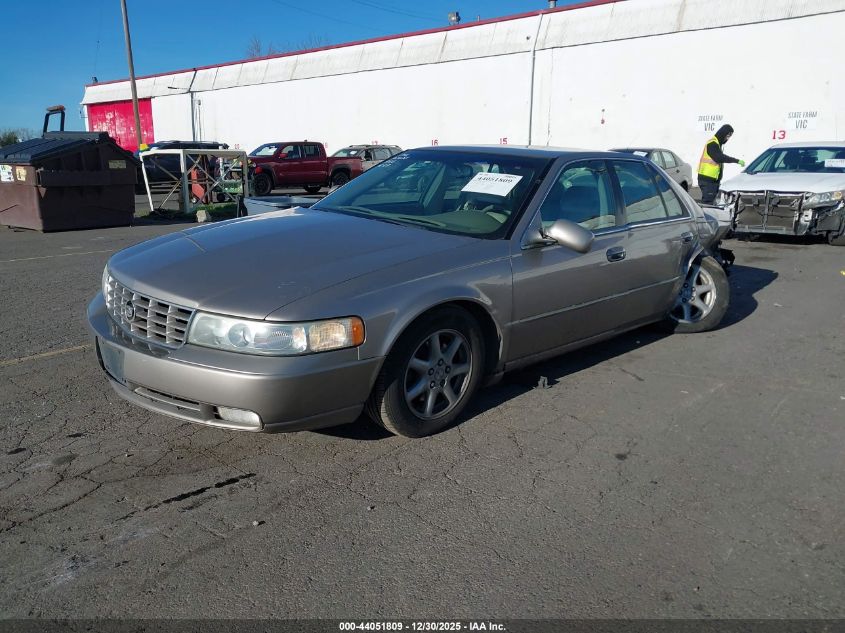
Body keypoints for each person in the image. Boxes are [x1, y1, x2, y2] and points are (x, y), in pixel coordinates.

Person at [697, 124, 745, 204]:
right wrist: (736, 161)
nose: (728, 138)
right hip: (708, 180)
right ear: (723, 133)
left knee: (709, 203)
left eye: (730, 136)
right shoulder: (712, 144)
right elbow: (720, 158)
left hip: (711, 180)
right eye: (728, 135)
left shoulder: (717, 144)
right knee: (707, 204)